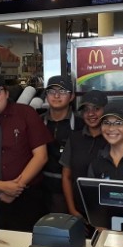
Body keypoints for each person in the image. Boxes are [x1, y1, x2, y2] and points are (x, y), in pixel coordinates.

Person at [0, 72, 53, 233]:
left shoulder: (26, 113)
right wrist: (0, 186)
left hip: (26, 199)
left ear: (6, 93)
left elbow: (41, 156)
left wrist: (15, 188)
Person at [59, 89, 106, 221]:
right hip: (79, 210)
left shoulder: (113, 137)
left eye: (96, 109)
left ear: (106, 110)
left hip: (108, 212)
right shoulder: (74, 139)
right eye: (86, 110)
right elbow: (66, 177)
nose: (91, 114)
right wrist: (72, 210)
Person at [41, 75, 84, 213]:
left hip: (73, 189)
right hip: (42, 188)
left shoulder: (81, 124)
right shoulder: (37, 122)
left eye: (63, 92)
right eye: (52, 91)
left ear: (71, 97)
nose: (57, 96)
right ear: (46, 95)